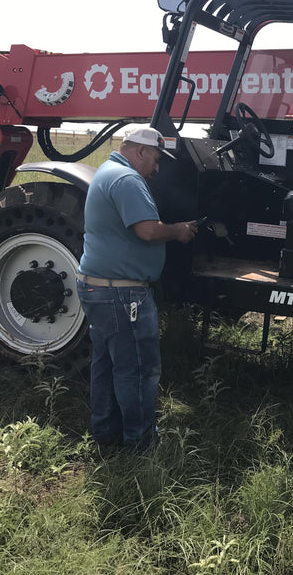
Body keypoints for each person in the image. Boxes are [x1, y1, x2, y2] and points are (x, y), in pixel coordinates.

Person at [76, 125, 197, 452]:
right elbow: (147, 231)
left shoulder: (107, 172)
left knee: (105, 365)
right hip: (122, 294)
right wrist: (178, 231)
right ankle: (141, 445)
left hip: (98, 288)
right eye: (156, 159)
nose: (157, 168)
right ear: (140, 151)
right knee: (138, 370)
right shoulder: (127, 179)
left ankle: (106, 435)